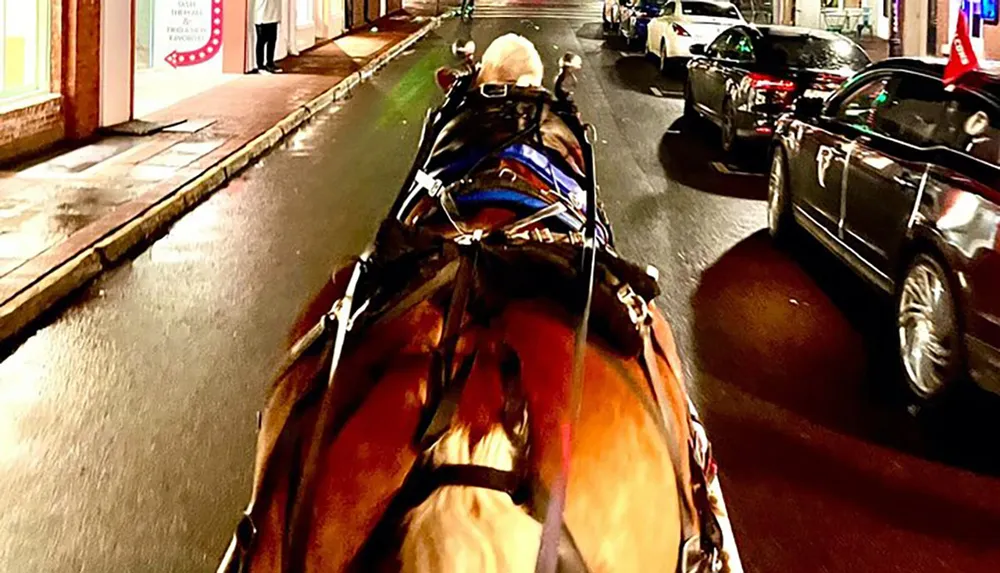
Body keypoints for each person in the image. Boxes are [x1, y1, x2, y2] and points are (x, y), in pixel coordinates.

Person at [253, 0, 281, 74]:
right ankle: (260, 66)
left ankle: (270, 63)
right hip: (261, 15)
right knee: (261, 41)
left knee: (272, 40)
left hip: (273, 14)